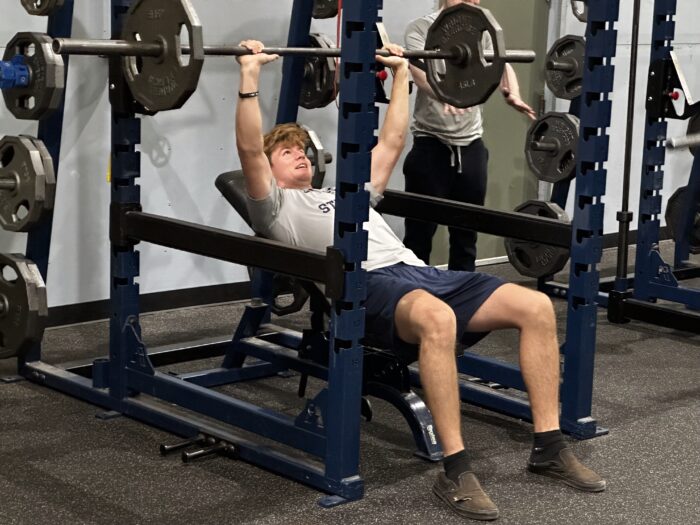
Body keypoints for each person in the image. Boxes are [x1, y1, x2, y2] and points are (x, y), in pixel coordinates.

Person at [234, 39, 605, 522]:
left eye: (304, 149)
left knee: (534, 308)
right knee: (438, 318)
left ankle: (549, 446)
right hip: (364, 288)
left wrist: (404, 74)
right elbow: (247, 147)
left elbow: (390, 143)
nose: (300, 156)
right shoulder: (275, 208)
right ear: (270, 167)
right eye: (286, 153)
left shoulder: (344, 192)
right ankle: (455, 468)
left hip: (417, 272)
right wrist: (249, 76)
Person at [403, 0, 537, 272]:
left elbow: (499, 61)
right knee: (419, 236)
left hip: (472, 146)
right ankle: (413, 301)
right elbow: (419, 72)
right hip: (431, 145)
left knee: (466, 235)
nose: (473, 1)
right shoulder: (421, 27)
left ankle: (463, 300)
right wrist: (444, 93)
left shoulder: (480, 27)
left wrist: (513, 93)